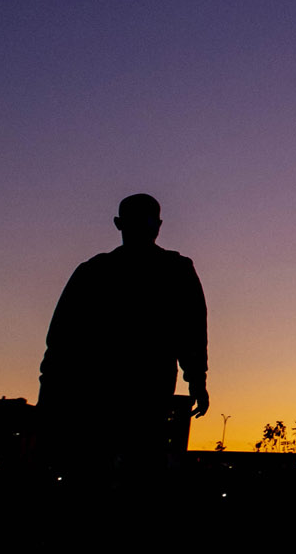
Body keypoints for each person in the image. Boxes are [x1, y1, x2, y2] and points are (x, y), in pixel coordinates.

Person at [37, 193, 208, 475]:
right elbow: (191, 332)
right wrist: (197, 380)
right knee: (129, 466)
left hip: (117, 391)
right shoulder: (173, 270)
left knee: (111, 465)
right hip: (121, 390)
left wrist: (197, 379)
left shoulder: (94, 271)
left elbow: (59, 341)